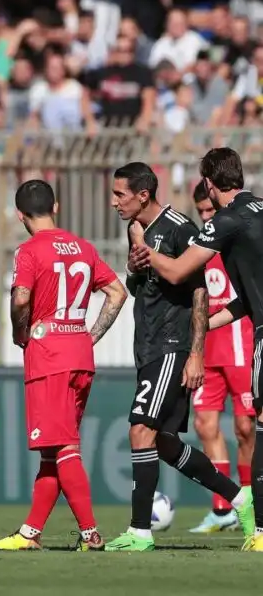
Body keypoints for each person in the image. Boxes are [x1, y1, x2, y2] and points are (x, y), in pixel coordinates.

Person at [105, 162, 254, 552]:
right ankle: (239, 498)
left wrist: (196, 354)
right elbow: (141, 289)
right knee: (165, 442)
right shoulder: (136, 229)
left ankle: (139, 531)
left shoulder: (181, 229)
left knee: (140, 430)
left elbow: (199, 292)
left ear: (142, 195)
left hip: (172, 345)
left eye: (119, 194)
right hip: (148, 344)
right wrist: (132, 267)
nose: (113, 202)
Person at [0, 180, 127, 552]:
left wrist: (20, 333)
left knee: (63, 447)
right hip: (80, 354)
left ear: (19, 215)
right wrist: (90, 335)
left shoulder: (29, 251)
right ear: (56, 206)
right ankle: (30, 532)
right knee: (55, 448)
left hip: (48, 358)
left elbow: (20, 299)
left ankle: (90, 533)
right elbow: (117, 292)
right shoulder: (83, 248)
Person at [190, 180, 255, 534]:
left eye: (209, 211)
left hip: (240, 346)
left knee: (246, 427)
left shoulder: (237, 241)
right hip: (208, 348)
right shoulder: (199, 246)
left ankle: (249, 498)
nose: (205, 217)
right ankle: (222, 508)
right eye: (200, 212)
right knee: (205, 425)